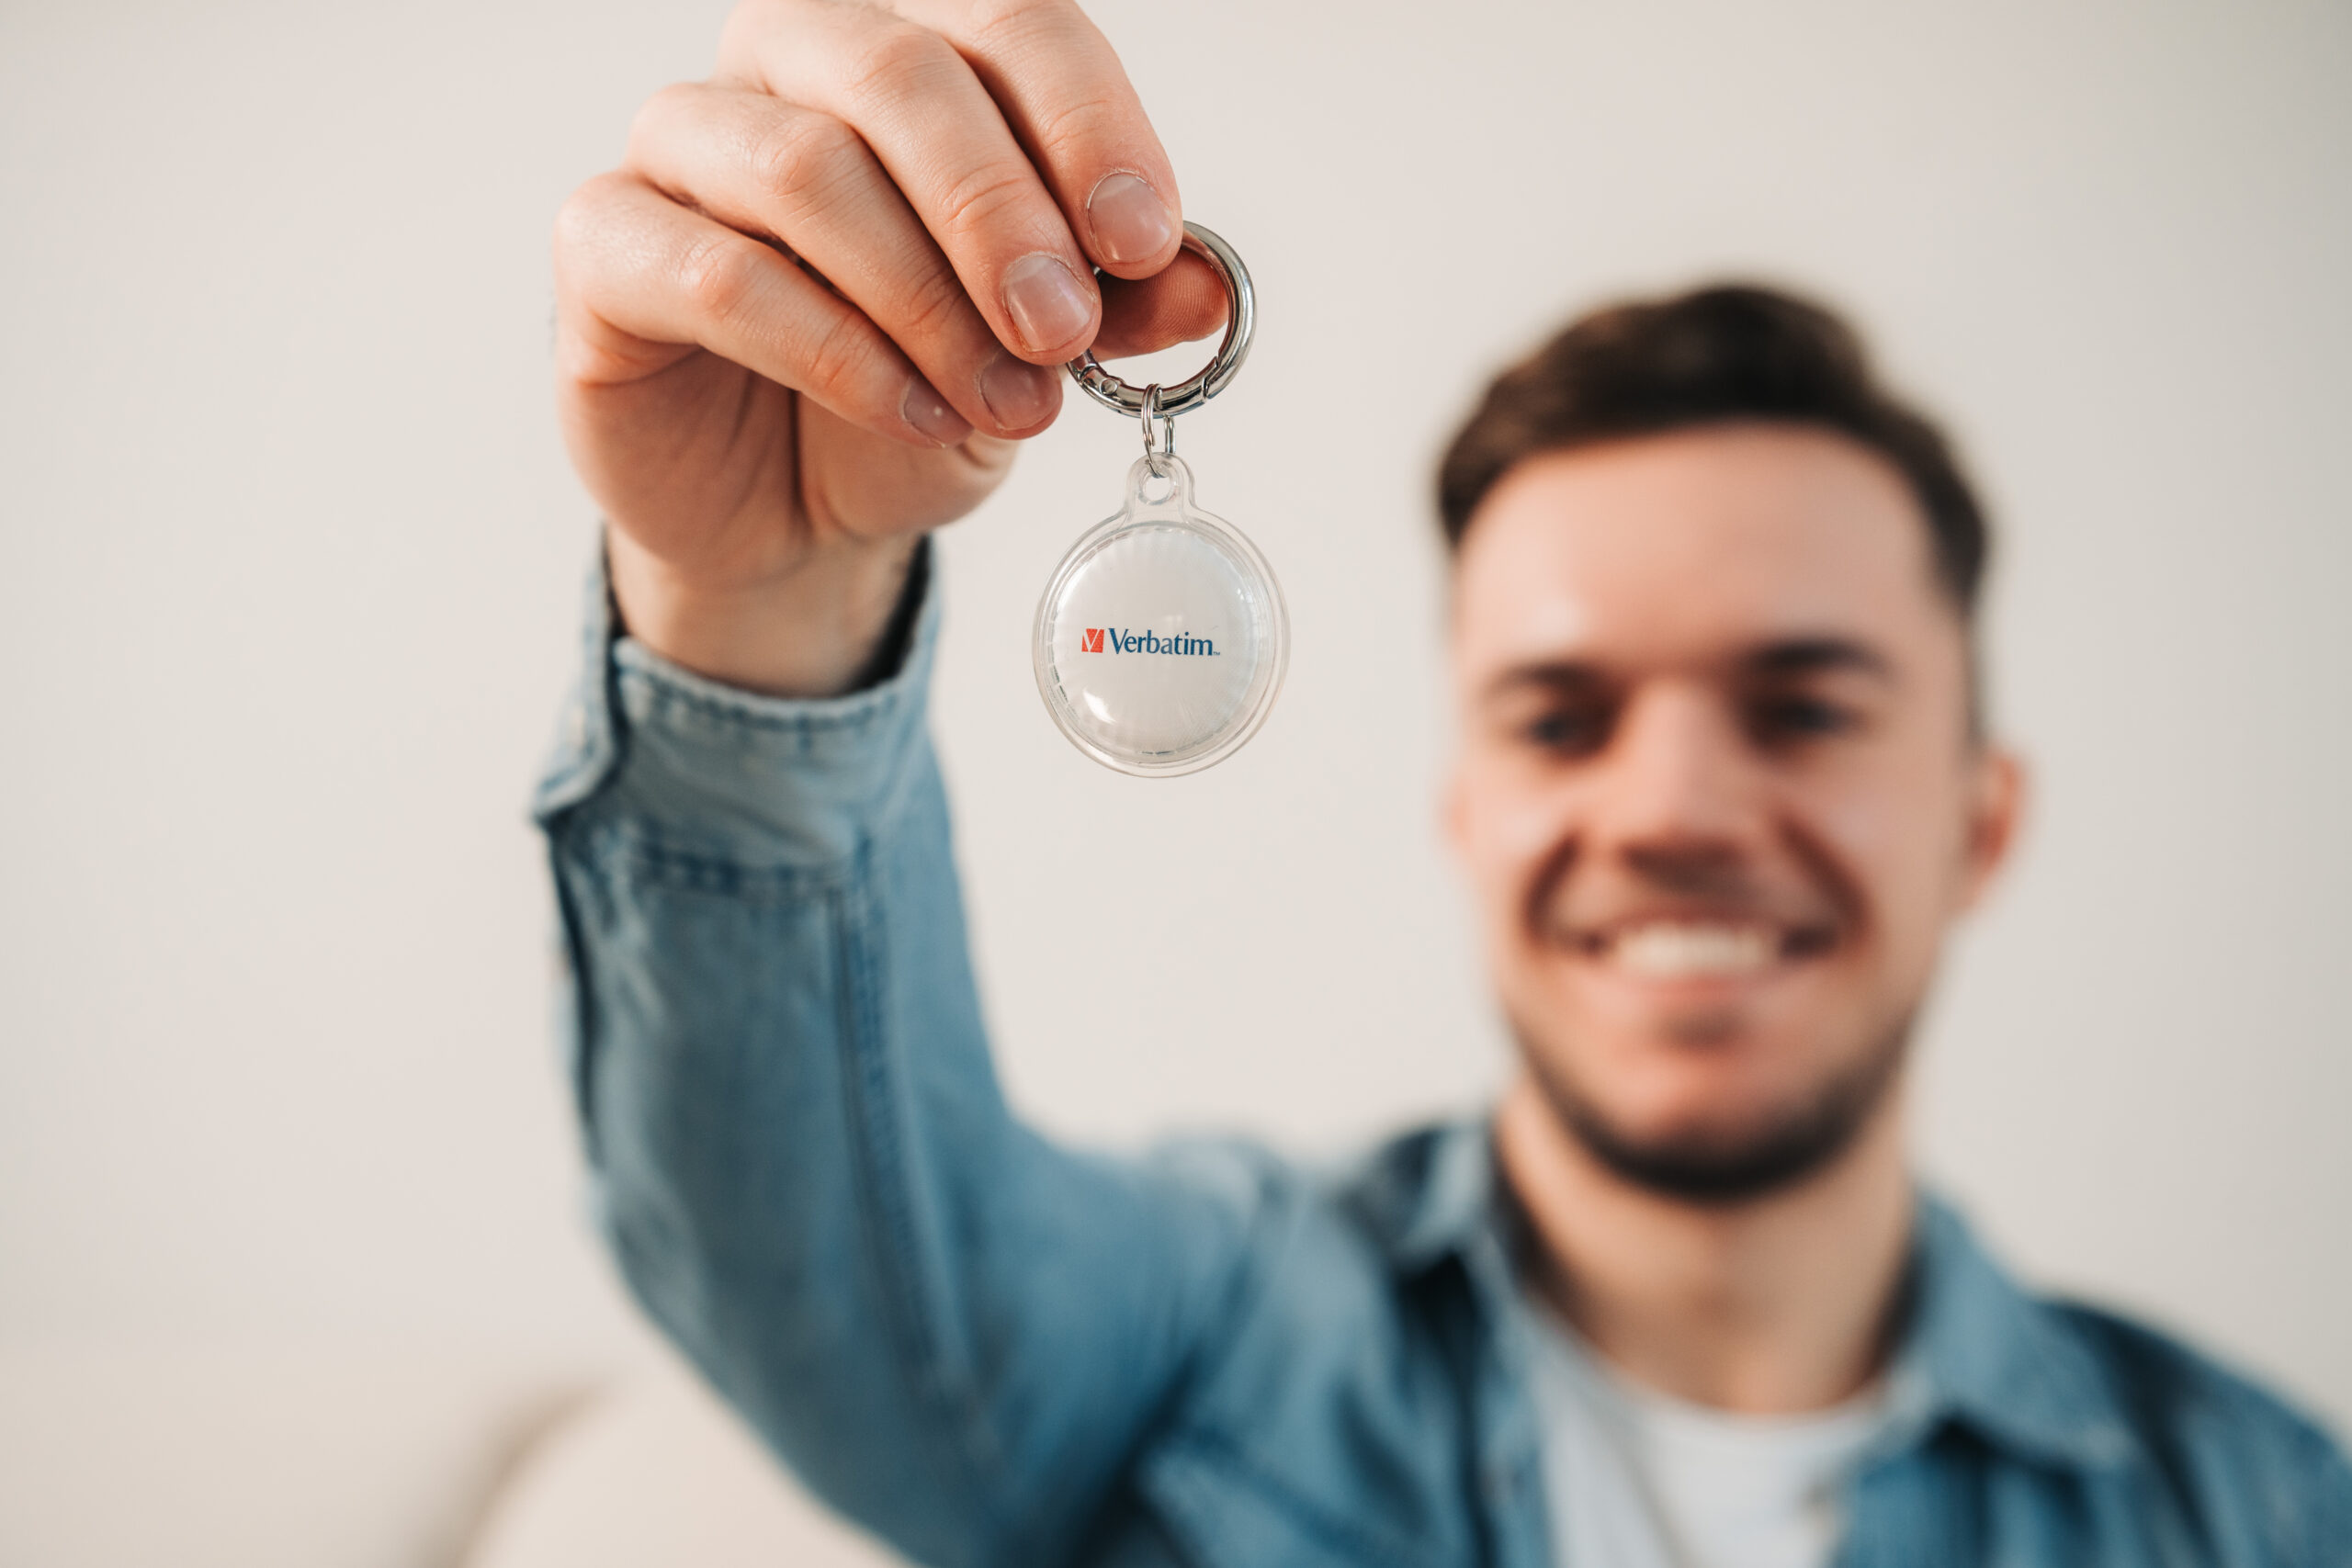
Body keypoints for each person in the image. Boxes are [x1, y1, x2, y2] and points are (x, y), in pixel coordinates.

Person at [535, 3, 2352, 1563]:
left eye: (1802, 708)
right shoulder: (1196, 1343)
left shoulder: (2258, 1508)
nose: (1668, 809)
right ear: (1463, 809)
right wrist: (755, 615)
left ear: (1981, 822)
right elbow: (826, 1272)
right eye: (1559, 717)